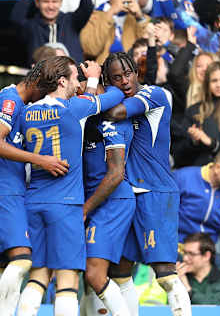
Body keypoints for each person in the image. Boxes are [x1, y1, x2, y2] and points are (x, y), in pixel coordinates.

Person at [15, 57, 125, 316]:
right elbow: (115, 95)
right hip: (65, 205)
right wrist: (95, 77)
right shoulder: (72, 109)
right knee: (68, 280)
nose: (79, 84)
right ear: (62, 81)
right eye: (76, 78)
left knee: (38, 277)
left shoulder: (26, 112)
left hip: (34, 202)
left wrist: (85, 87)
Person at [103, 52, 192, 316]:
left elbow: (116, 112)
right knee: (119, 269)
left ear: (136, 71)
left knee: (165, 272)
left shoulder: (156, 95)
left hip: (156, 191)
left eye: (128, 73)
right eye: (116, 78)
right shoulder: (122, 97)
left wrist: (95, 94)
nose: (125, 81)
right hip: (126, 195)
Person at [0, 62, 68, 316]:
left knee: (2, 266)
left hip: (3, 188)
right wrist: (41, 160)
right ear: (36, 83)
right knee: (22, 260)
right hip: (2, 189)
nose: (43, 99)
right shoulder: (10, 101)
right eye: (45, 92)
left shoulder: (15, 100)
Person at [80, 115, 136, 316]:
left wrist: (85, 209)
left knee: (96, 274)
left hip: (111, 203)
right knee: (92, 278)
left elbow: (116, 174)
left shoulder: (113, 118)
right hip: (91, 201)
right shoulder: (79, 116)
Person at [175, 146, 220, 272]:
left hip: (208, 254)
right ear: (218, 168)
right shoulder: (183, 178)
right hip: (177, 248)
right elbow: (162, 216)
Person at [80, 0, 149, 63]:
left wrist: (140, 17)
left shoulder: (141, 17)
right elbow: (90, 49)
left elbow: (152, 49)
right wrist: (110, 14)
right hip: (104, 71)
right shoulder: (94, 16)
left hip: (134, 72)